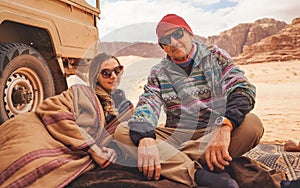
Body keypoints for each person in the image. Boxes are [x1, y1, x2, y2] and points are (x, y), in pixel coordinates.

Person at [114, 14, 264, 188]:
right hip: (176, 135)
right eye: (165, 39)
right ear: (162, 46)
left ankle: (174, 163)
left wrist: (225, 125)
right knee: (124, 131)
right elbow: (149, 103)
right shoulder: (159, 72)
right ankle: (198, 174)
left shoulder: (215, 56)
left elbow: (242, 89)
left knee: (253, 125)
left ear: (190, 34)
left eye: (177, 34)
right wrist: (145, 136)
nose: (173, 42)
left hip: (212, 130)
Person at [0, 53, 133, 187]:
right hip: (47, 131)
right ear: (95, 77)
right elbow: (52, 108)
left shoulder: (125, 108)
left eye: (117, 70)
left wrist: (112, 150)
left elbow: (121, 137)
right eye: (106, 73)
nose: (114, 76)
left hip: (76, 148)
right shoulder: (81, 91)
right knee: (26, 159)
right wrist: (92, 148)